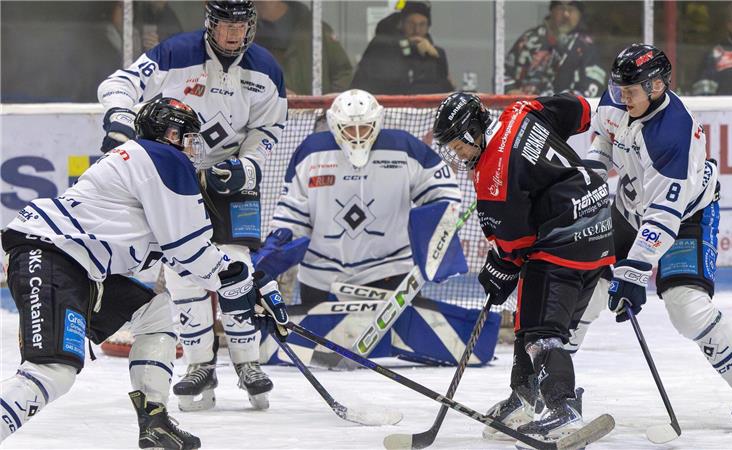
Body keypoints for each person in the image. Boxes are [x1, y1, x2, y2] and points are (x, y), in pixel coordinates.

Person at [0, 98, 288, 450]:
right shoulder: (165, 159)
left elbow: (180, 255)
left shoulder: (144, 159)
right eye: (187, 136)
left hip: (80, 267)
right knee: (52, 371)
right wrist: (240, 283)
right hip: (52, 258)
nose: (192, 146)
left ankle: (155, 420)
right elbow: (191, 251)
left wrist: (245, 281)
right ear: (169, 134)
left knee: (154, 313)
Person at [97, 0, 287, 411]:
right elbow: (119, 83)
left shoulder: (266, 68)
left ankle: (248, 362)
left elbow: (270, 128)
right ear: (209, 23)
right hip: (176, 174)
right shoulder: (174, 53)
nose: (233, 34)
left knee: (237, 263)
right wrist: (118, 116)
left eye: (241, 25)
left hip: (234, 178)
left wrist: (248, 165)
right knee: (183, 271)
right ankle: (200, 363)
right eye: (224, 25)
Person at [583, 43, 732, 431]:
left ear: (657, 86)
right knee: (586, 283)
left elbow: (663, 216)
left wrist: (635, 271)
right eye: (619, 88)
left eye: (632, 91)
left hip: (686, 214)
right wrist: (593, 171)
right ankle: (552, 387)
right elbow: (603, 138)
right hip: (630, 204)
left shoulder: (674, 133)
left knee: (686, 308)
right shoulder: (617, 96)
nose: (622, 98)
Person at [431, 91, 614, 442]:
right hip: (599, 227)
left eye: (458, 146)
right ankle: (524, 397)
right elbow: (581, 109)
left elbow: (515, 244)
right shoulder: (521, 111)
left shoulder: (493, 174)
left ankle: (563, 410)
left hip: (562, 240)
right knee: (529, 318)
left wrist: (499, 269)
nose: (458, 154)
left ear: (472, 131)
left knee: (542, 332)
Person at [253, 89, 461, 306]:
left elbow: (443, 191)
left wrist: (437, 231)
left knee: (399, 340)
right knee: (322, 340)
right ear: (335, 125)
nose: (358, 135)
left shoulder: (404, 149)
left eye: (364, 127)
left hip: (391, 271)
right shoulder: (312, 152)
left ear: (377, 121)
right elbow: (292, 212)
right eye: (349, 129)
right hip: (322, 277)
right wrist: (278, 244)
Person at [505, 1, 605, 97]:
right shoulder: (529, 39)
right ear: (551, 11)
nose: (566, 14)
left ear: (579, 15)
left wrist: (563, 101)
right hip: (524, 109)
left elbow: (594, 84)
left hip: (561, 111)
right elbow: (502, 74)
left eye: (572, 10)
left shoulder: (587, 47)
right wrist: (511, 91)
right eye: (561, 8)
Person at [351, 1, 453, 95]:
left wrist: (437, 57)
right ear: (402, 24)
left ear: (428, 27)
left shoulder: (436, 53)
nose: (416, 30)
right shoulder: (384, 47)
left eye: (422, 24)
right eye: (411, 23)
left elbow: (445, 89)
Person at [254, 1, 352, 95]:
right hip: (269, 110)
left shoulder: (316, 30)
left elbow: (343, 74)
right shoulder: (247, 34)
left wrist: (325, 107)